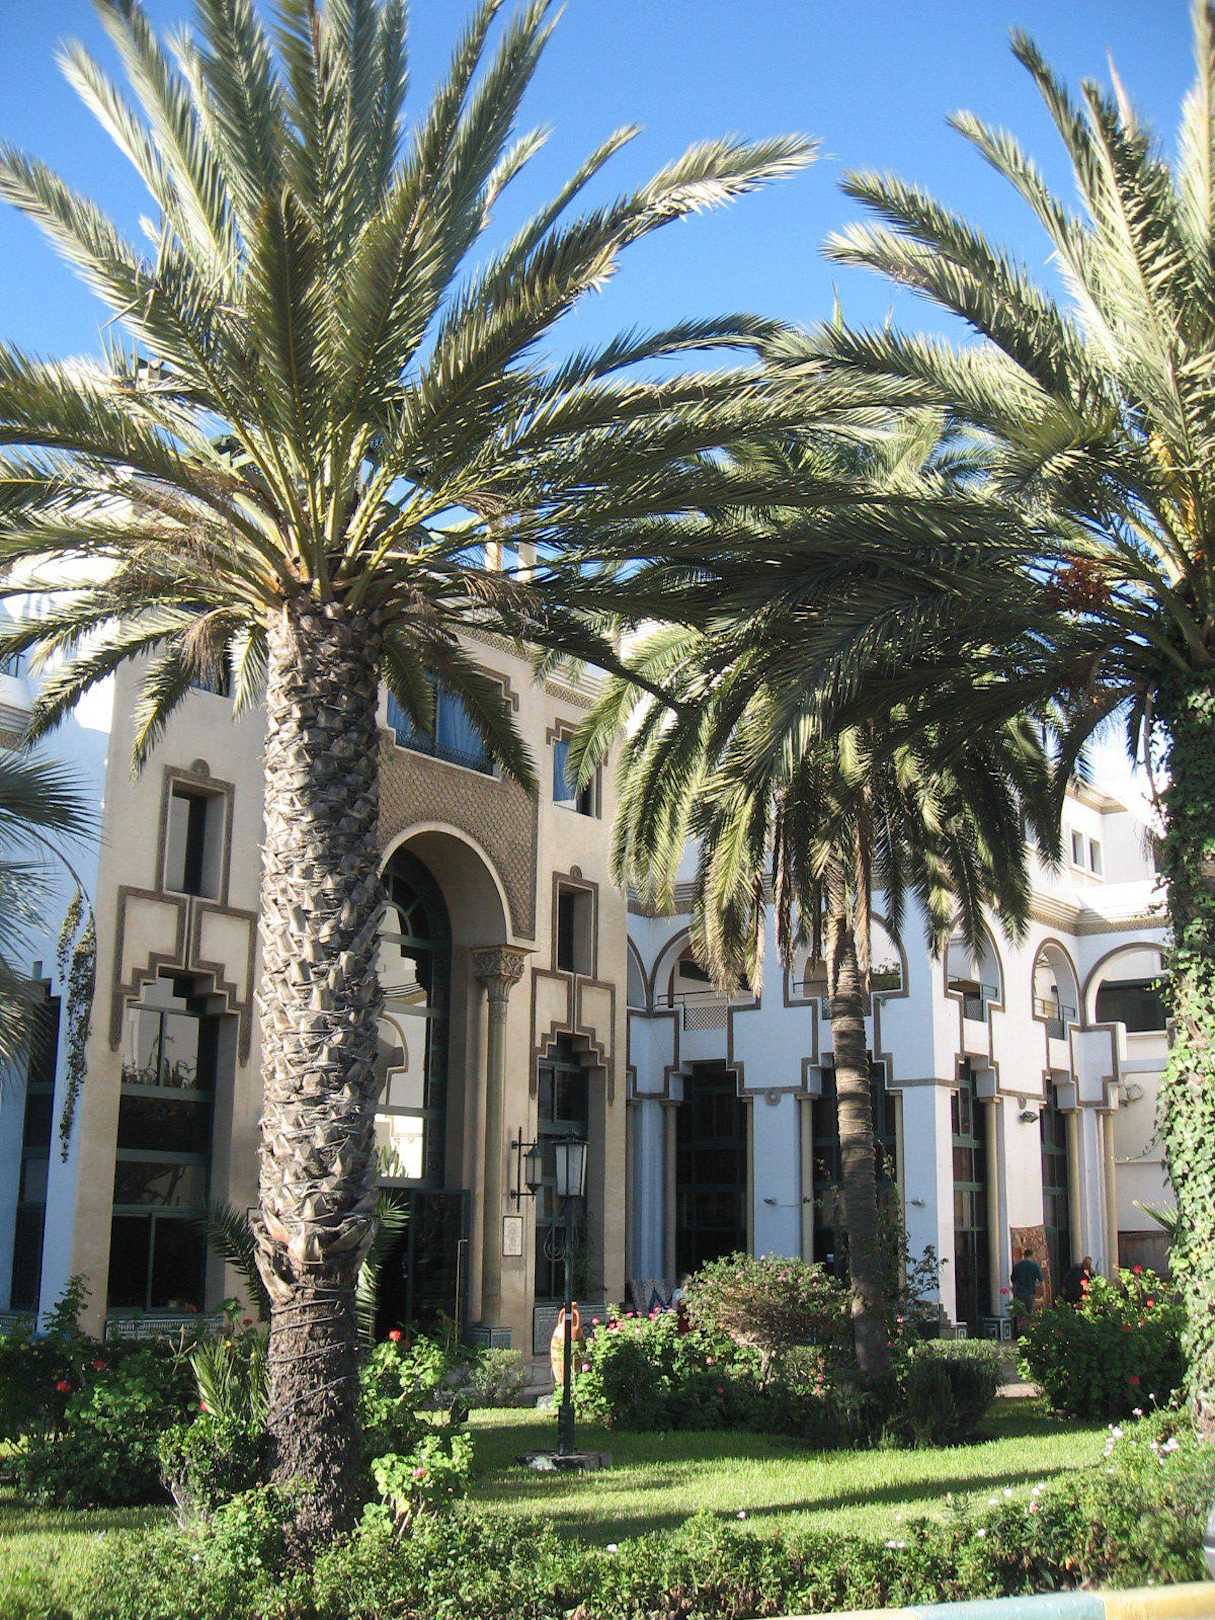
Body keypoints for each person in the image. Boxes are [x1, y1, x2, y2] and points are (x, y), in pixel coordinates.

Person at [1010, 1247, 1043, 1332]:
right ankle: (1028, 1331)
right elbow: (1040, 1280)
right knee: (1029, 1313)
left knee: (1019, 1313)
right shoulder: (1034, 1266)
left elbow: (1013, 1279)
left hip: (1019, 1293)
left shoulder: (1017, 1266)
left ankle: (1019, 1331)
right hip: (1030, 1293)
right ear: (1032, 1255)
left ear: (1024, 1255)